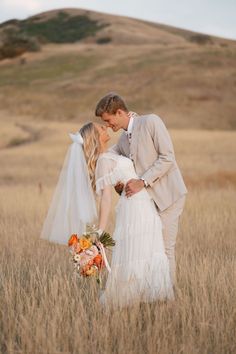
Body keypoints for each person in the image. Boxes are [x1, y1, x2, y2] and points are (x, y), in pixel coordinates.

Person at [41, 122, 173, 307]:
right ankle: (131, 301)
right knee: (138, 255)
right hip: (134, 210)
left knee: (150, 252)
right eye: (101, 129)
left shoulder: (110, 153)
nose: (105, 128)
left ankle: (150, 302)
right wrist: (100, 233)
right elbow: (105, 199)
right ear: (95, 138)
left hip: (144, 205)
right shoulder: (103, 162)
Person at [95, 93, 187, 285]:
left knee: (164, 249)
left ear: (119, 112)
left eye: (108, 120)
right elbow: (107, 159)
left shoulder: (151, 122)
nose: (108, 125)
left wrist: (142, 181)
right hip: (146, 204)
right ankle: (152, 292)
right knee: (150, 249)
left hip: (168, 196)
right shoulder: (122, 140)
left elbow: (167, 158)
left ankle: (168, 299)